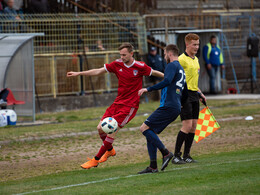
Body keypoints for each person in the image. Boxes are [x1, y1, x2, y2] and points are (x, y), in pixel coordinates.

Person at [67, 42, 164, 169]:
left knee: (111, 131)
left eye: (124, 55)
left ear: (131, 53)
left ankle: (95, 160)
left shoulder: (140, 66)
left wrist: (168, 78)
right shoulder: (117, 64)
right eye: (121, 55)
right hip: (117, 103)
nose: (122, 57)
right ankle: (110, 150)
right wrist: (79, 73)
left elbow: (154, 72)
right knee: (100, 128)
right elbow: (98, 71)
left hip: (130, 106)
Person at [137, 44, 188, 174]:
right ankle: (153, 166)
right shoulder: (181, 69)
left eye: (165, 54)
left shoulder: (172, 65)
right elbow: (185, 91)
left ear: (170, 54)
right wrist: (180, 103)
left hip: (168, 105)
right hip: (175, 106)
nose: (164, 56)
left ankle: (165, 153)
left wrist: (148, 89)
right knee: (150, 131)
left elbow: (167, 81)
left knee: (143, 128)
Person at [172, 33, 206, 164]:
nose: (197, 47)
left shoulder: (195, 59)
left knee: (194, 126)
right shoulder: (181, 59)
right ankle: (176, 156)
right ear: (187, 45)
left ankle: (186, 155)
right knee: (187, 125)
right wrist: (177, 96)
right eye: (194, 44)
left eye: (198, 44)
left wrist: (200, 93)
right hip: (184, 95)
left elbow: (192, 81)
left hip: (194, 95)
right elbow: (176, 79)